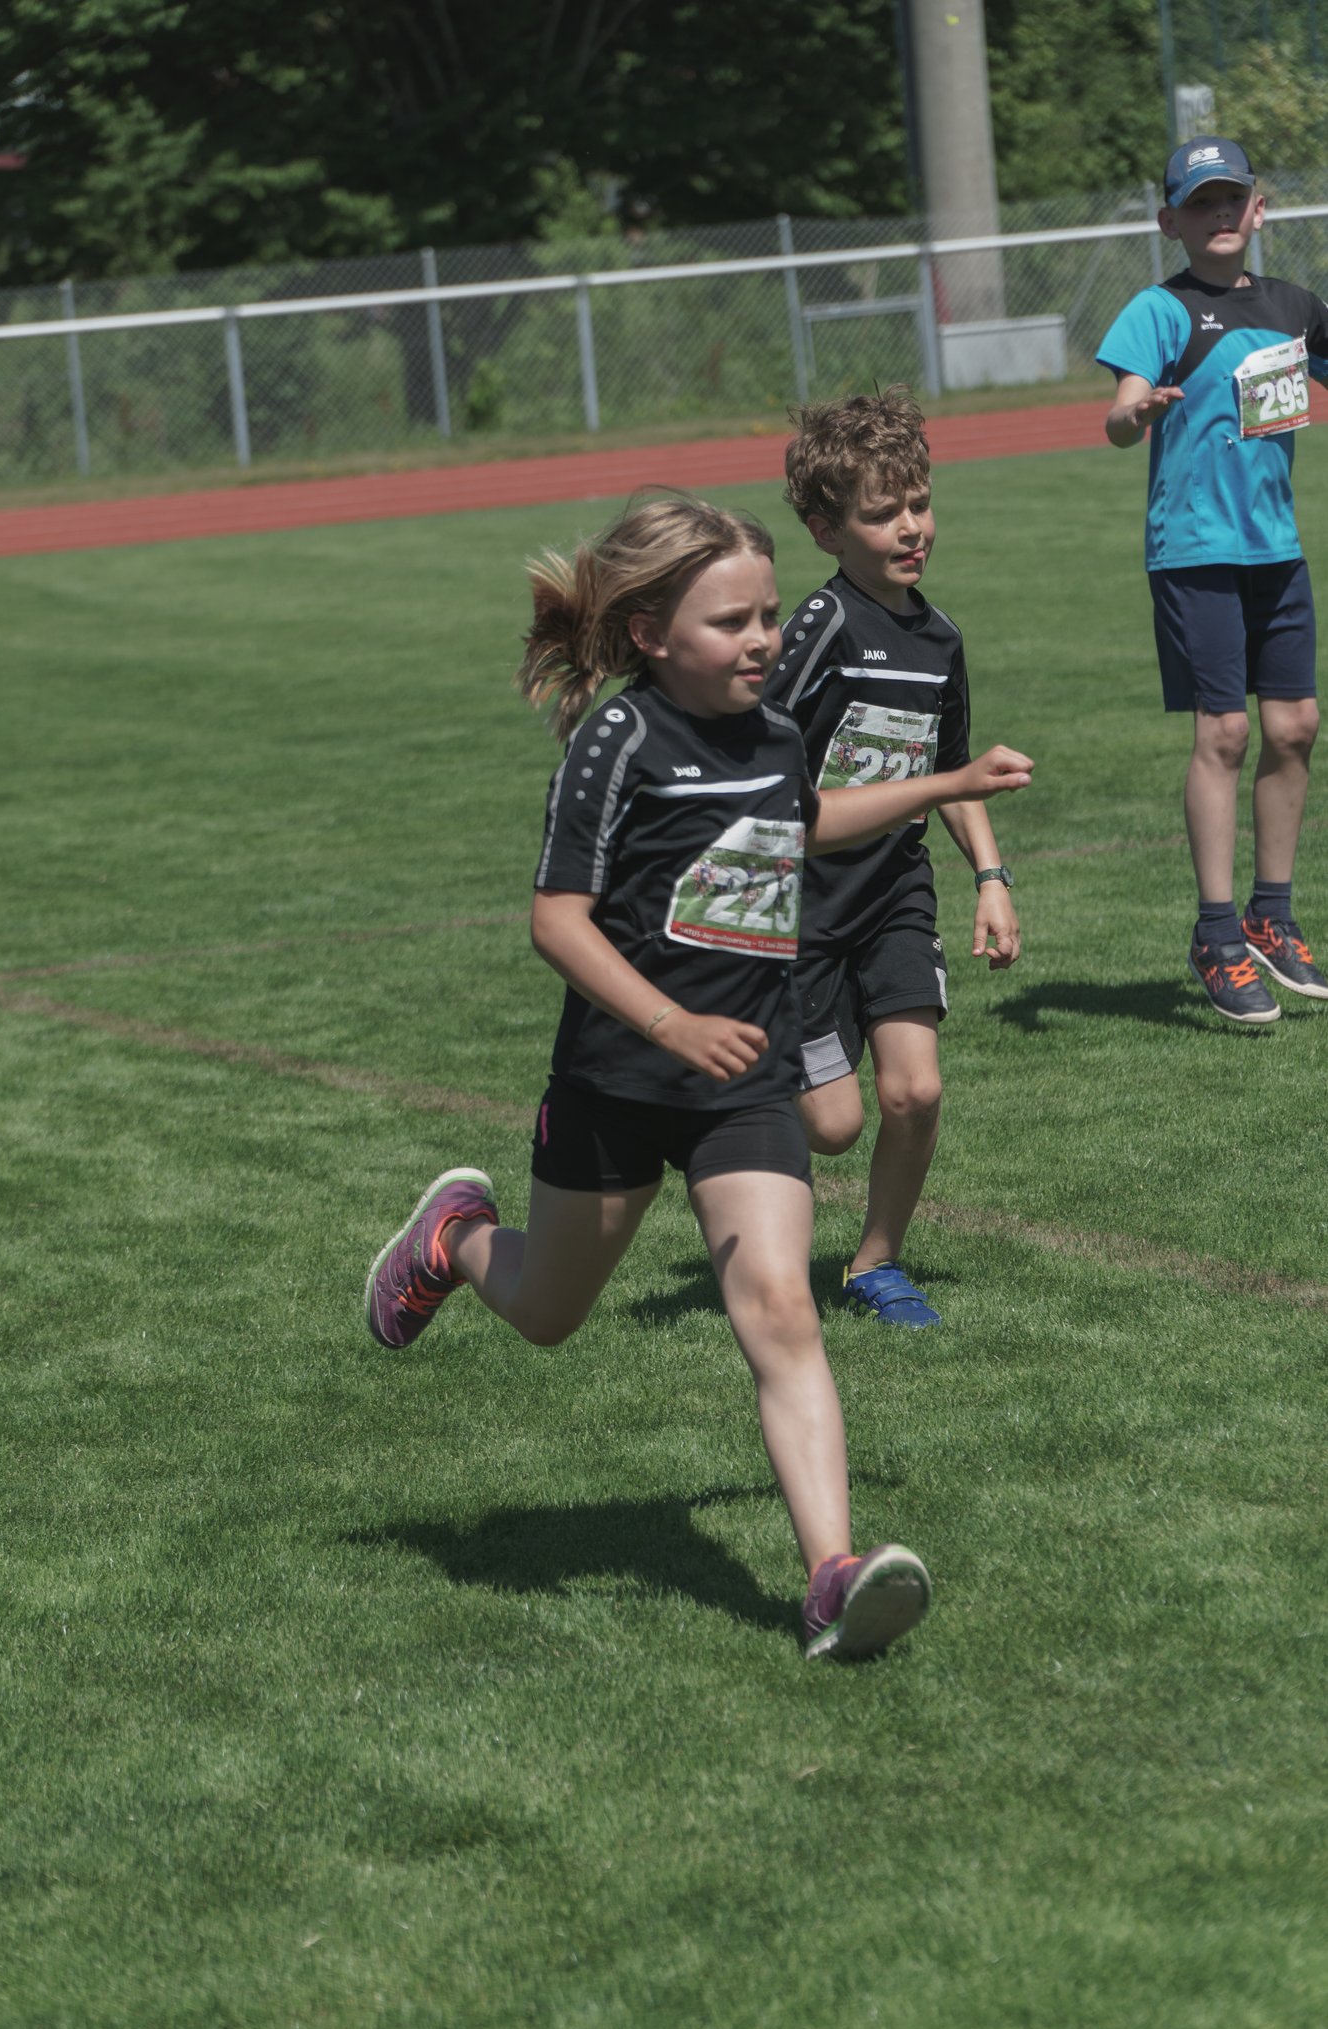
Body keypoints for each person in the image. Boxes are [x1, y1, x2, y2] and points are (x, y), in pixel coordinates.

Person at [364, 493, 1032, 1660]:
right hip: (618, 1082)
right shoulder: (616, 741)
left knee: (779, 1304)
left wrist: (946, 783)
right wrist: (671, 1023)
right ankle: (455, 1238)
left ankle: (830, 1575)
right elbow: (556, 920)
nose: (763, 638)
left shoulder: (774, 732)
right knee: (548, 1314)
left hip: (745, 1084)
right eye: (732, 622)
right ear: (650, 635)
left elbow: (807, 818)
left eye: (768, 615)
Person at [767, 389, 1020, 1329]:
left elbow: (950, 770)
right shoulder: (818, 629)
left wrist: (989, 879)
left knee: (914, 1091)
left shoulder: (939, 637)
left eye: (919, 504)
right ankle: (725, 1095)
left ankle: (874, 1263)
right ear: (825, 531)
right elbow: (762, 769)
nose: (910, 528)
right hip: (797, 907)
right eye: (883, 514)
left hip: (893, 895)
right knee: (832, 1126)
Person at [1097, 136, 1328, 1023]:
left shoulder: (1292, 306)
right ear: (1171, 221)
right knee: (1224, 733)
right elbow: (1118, 418)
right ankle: (1216, 933)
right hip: (1194, 552)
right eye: (1200, 202)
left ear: (1258, 210)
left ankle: (1272, 915)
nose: (1219, 213)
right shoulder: (1158, 310)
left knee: (1295, 726)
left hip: (1276, 549)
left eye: (1232, 197)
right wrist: (1138, 411)